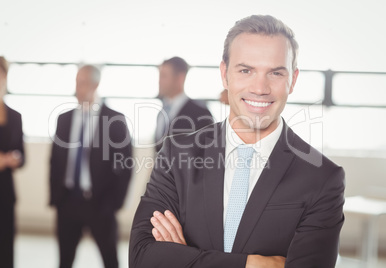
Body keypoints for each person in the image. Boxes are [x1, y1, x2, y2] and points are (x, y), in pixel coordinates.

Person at [129, 15, 345, 268]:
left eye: (275, 73)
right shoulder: (177, 154)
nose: (260, 88)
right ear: (225, 74)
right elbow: (143, 257)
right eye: (246, 70)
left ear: (293, 80)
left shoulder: (322, 177)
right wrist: (251, 264)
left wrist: (185, 258)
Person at [49, 65, 133, 268]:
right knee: (64, 260)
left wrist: (115, 202)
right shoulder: (64, 119)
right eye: (77, 82)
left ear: (96, 84)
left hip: (100, 204)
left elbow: (126, 163)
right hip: (68, 201)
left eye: (83, 82)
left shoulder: (115, 119)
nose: (78, 88)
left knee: (110, 259)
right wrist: (56, 197)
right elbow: (55, 161)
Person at [0, 55, 24, 268]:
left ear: (5, 75)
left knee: (3, 249)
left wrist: (14, 158)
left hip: (3, 194)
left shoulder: (15, 116)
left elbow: (22, 154)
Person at [155, 56, 214, 152]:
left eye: (164, 76)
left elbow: (208, 152)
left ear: (180, 78)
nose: (159, 81)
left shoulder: (201, 114)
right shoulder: (161, 114)